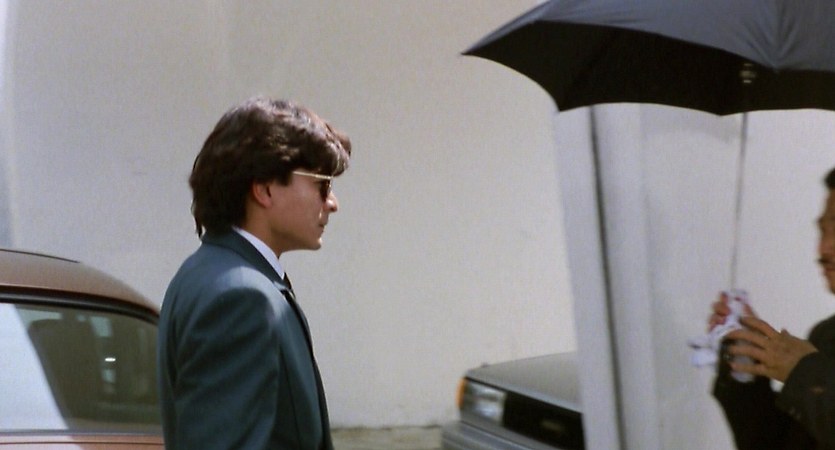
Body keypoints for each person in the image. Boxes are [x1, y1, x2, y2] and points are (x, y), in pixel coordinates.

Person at [157, 96, 351, 450]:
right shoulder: (242, 297)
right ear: (263, 189)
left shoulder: (208, 273)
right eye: (322, 184)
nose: (332, 203)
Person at [709, 166, 835, 449]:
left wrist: (804, 373)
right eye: (823, 231)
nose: (824, 249)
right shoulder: (827, 336)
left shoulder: (812, 364)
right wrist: (748, 358)